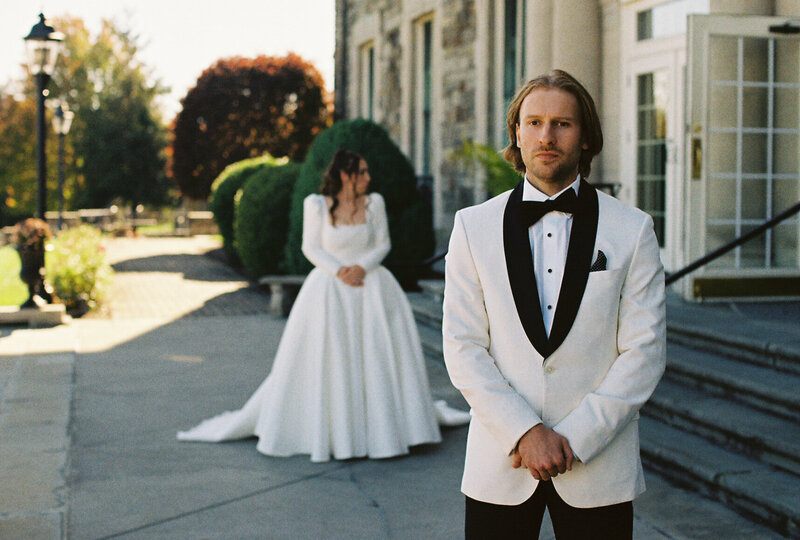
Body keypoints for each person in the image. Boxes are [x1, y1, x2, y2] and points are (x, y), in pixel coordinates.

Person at [442, 69, 666, 538]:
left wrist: (576, 438)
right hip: (500, 464)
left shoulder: (633, 228)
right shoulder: (472, 227)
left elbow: (644, 352)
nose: (547, 135)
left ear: (586, 137)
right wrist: (524, 432)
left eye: (563, 123)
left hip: (598, 464)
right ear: (517, 133)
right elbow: (462, 346)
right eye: (535, 122)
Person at [178, 149, 468, 462]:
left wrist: (362, 267)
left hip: (372, 286)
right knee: (328, 357)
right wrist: (339, 270)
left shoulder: (375, 203)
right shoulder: (316, 205)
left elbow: (383, 243)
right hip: (329, 290)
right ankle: (334, 431)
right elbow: (310, 246)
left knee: (378, 356)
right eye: (363, 172)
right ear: (346, 176)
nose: (369, 178)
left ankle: (386, 430)